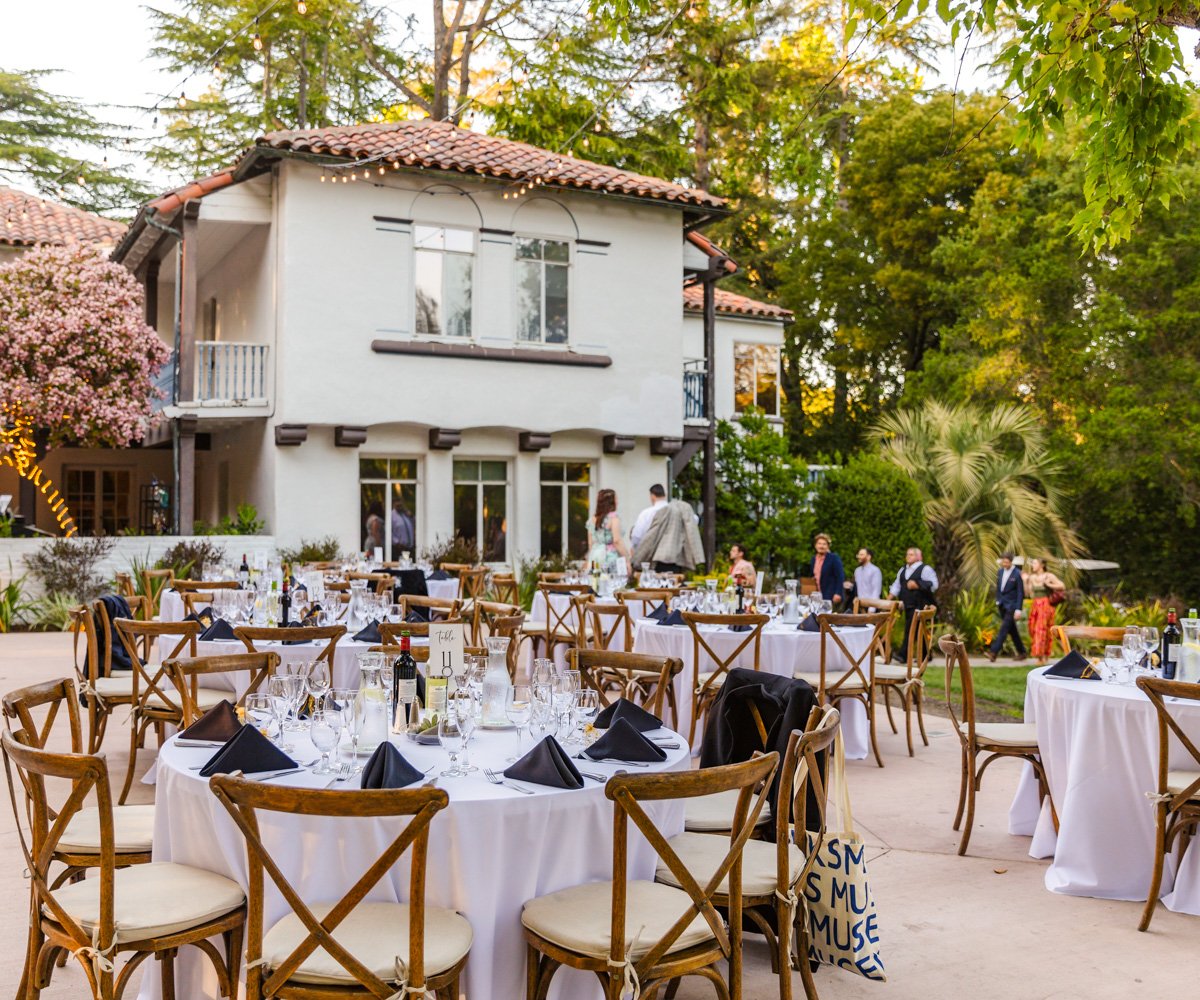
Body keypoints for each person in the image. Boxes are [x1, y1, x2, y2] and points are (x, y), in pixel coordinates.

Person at [888, 547, 938, 663]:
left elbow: (934, 585)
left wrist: (918, 584)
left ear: (917, 556)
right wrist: (888, 601)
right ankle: (926, 654)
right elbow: (896, 586)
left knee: (911, 628)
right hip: (907, 605)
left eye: (911, 554)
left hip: (920, 605)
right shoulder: (902, 570)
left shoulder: (925, 569)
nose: (908, 557)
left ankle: (903, 655)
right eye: (907, 554)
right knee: (917, 630)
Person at [631, 499, 706, 573]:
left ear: (652, 496)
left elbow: (650, 537)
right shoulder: (685, 515)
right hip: (677, 559)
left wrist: (636, 559)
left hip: (661, 558)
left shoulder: (663, 511)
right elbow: (694, 527)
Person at [1022, 557, 1065, 664]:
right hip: (1035, 604)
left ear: (1041, 565)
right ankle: (1039, 655)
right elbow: (1028, 593)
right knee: (1033, 629)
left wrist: (1049, 584)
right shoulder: (1031, 577)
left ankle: (1043, 656)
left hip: (1046, 605)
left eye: (1035, 563)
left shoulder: (1048, 576)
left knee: (1043, 629)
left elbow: (1062, 586)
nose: (1032, 565)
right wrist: (1025, 581)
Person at [987, 553, 1027, 661]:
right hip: (1002, 605)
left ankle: (993, 652)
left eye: (1007, 562)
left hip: (1012, 606)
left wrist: (1018, 609)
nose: (1005, 564)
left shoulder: (1017, 574)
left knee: (1004, 629)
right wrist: (997, 600)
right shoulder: (1000, 572)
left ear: (1011, 561)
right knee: (1012, 630)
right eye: (1003, 562)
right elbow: (999, 588)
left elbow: (1020, 592)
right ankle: (1022, 652)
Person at [587, 488, 631, 573]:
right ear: (611, 502)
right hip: (609, 558)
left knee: (595, 583)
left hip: (594, 558)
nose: (617, 502)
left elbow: (590, 543)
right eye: (616, 499)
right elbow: (617, 541)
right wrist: (627, 559)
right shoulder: (613, 519)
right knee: (612, 584)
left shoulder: (592, 520)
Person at [807, 534, 845, 605]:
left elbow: (840, 576)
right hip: (817, 595)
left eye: (824, 544)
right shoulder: (813, 559)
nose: (821, 546)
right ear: (815, 545)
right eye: (819, 543)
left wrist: (838, 593)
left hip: (831, 596)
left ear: (828, 546)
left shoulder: (834, 558)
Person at [630, 483, 668, 549]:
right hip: (674, 555)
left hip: (652, 554)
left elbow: (636, 537)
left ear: (652, 496)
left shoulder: (646, 513)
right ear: (665, 495)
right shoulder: (677, 511)